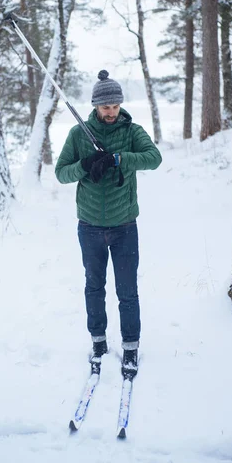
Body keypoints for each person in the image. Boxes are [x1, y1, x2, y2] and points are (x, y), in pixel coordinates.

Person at [55, 70, 162, 379]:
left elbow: (153, 158)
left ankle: (130, 346)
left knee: (127, 290)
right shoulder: (79, 134)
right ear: (95, 106)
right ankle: (98, 342)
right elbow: (61, 173)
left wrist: (118, 159)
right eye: (105, 107)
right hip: (88, 226)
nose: (111, 112)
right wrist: (85, 165)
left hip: (124, 225)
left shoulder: (132, 131)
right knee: (94, 286)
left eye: (115, 106)